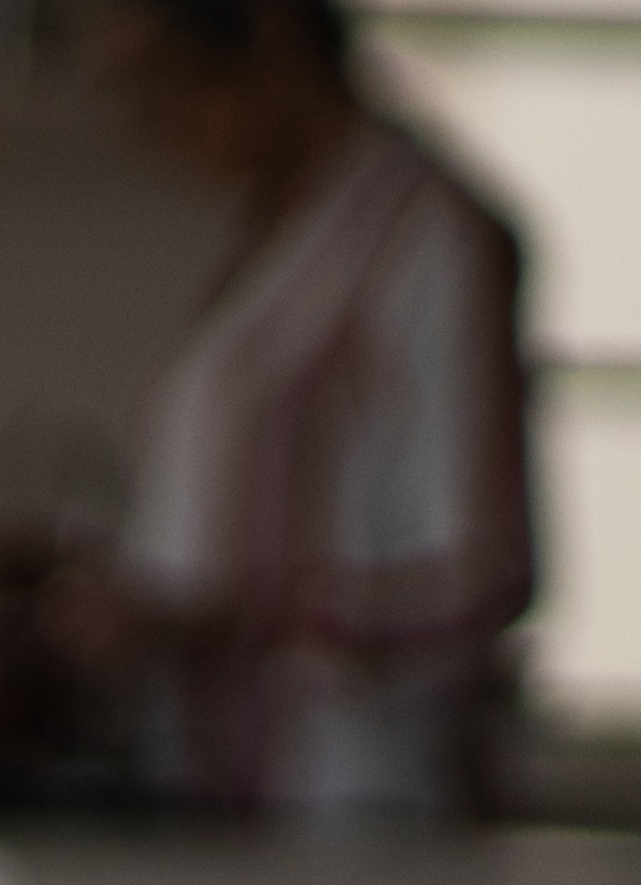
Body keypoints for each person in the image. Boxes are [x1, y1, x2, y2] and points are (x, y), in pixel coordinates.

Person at [84, 0, 542, 823]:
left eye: (165, 83)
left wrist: (242, 623)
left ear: (272, 37)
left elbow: (482, 567)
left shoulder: (429, 240)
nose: (154, 126)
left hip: (351, 811)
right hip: (207, 793)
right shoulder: (271, 239)